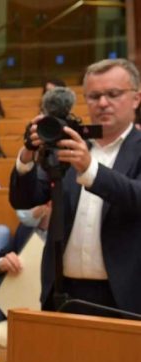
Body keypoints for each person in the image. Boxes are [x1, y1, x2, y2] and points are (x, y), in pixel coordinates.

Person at [10, 57, 141, 316]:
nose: (103, 103)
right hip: (63, 291)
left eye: (113, 94)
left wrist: (90, 169)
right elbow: (25, 199)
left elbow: (136, 196)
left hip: (124, 295)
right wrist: (27, 155)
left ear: (136, 99)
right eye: (94, 96)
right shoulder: (69, 143)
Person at [0, 203, 51, 362]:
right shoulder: (25, 229)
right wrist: (2, 263)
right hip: (23, 315)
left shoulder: (67, 230)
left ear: (49, 204)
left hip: (53, 317)